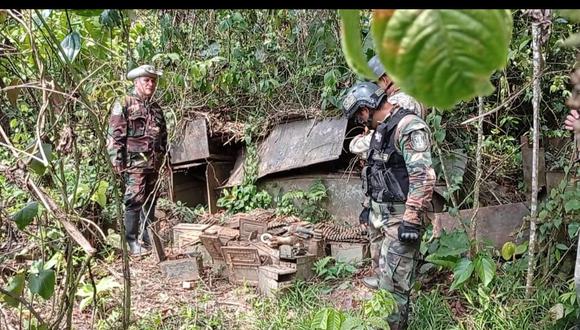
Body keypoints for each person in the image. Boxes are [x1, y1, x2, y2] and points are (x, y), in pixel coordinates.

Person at [342, 81, 436, 329]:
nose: (361, 123)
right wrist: (367, 206)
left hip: (399, 218)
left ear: (365, 109)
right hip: (378, 215)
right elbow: (377, 172)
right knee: (383, 280)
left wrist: (412, 218)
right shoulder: (382, 131)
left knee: (393, 288)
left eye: (359, 116)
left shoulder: (409, 126)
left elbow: (422, 176)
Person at [106, 64, 168, 256]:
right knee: (134, 200)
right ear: (136, 82)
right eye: (147, 80)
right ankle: (131, 242)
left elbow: (163, 137)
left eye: (153, 81)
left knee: (150, 200)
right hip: (133, 163)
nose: (151, 84)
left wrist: (166, 161)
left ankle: (148, 237)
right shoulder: (124, 103)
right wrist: (116, 160)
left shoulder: (156, 108)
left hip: (154, 163)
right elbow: (114, 135)